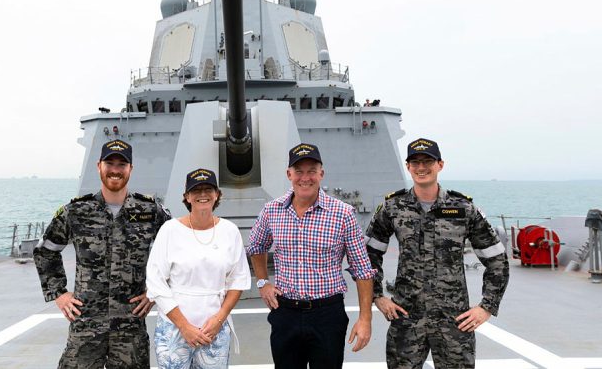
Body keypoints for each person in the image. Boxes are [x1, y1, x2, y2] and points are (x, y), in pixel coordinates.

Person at [366, 138, 509, 369]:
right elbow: (369, 253)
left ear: (440, 165)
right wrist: (377, 296)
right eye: (415, 162)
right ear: (408, 166)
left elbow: (497, 259)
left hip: (453, 321)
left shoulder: (464, 208)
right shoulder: (393, 207)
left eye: (427, 161)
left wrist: (486, 307)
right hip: (406, 318)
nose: (421, 167)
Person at [34, 139, 171, 369]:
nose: (115, 170)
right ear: (99, 166)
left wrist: (155, 291)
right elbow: (46, 251)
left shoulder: (150, 211)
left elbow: (175, 252)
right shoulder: (77, 211)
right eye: (110, 163)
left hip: (130, 327)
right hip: (86, 324)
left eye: (122, 164)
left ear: (130, 169)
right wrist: (58, 293)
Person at [247, 143, 376, 369]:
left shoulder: (343, 213)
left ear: (321, 174)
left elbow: (363, 270)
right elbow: (256, 246)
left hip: (327, 315)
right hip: (285, 312)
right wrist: (263, 282)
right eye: (299, 171)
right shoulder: (272, 210)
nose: (305, 178)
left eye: (311, 171)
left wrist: (365, 319)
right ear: (289, 174)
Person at [146, 168, 251, 368]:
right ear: (187, 196)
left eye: (208, 189)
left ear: (217, 194)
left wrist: (219, 320)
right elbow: (155, 281)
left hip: (214, 329)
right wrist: (184, 326)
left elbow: (238, 279)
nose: (202, 194)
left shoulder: (230, 231)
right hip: (174, 330)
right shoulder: (170, 230)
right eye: (196, 190)